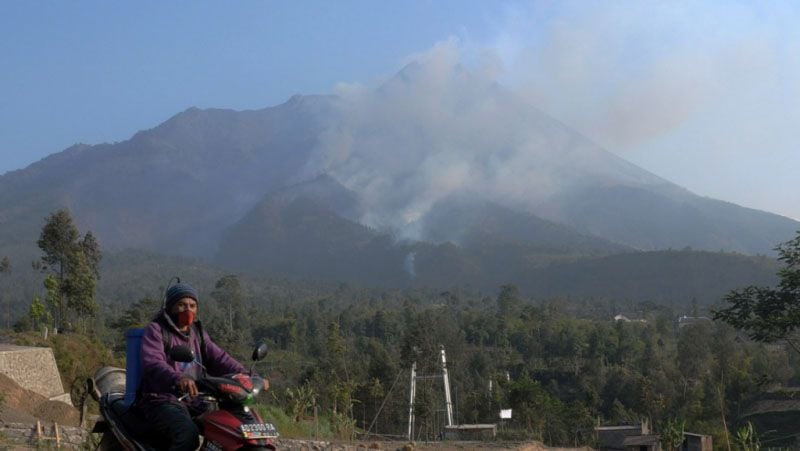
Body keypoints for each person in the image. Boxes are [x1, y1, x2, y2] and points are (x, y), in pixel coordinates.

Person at [138, 282, 250, 451]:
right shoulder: (157, 330)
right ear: (170, 307)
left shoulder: (197, 333)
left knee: (231, 429)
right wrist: (179, 378)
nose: (187, 310)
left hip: (196, 401)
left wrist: (248, 375)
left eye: (192, 305)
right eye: (181, 305)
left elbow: (220, 358)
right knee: (187, 435)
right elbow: (153, 362)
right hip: (162, 400)